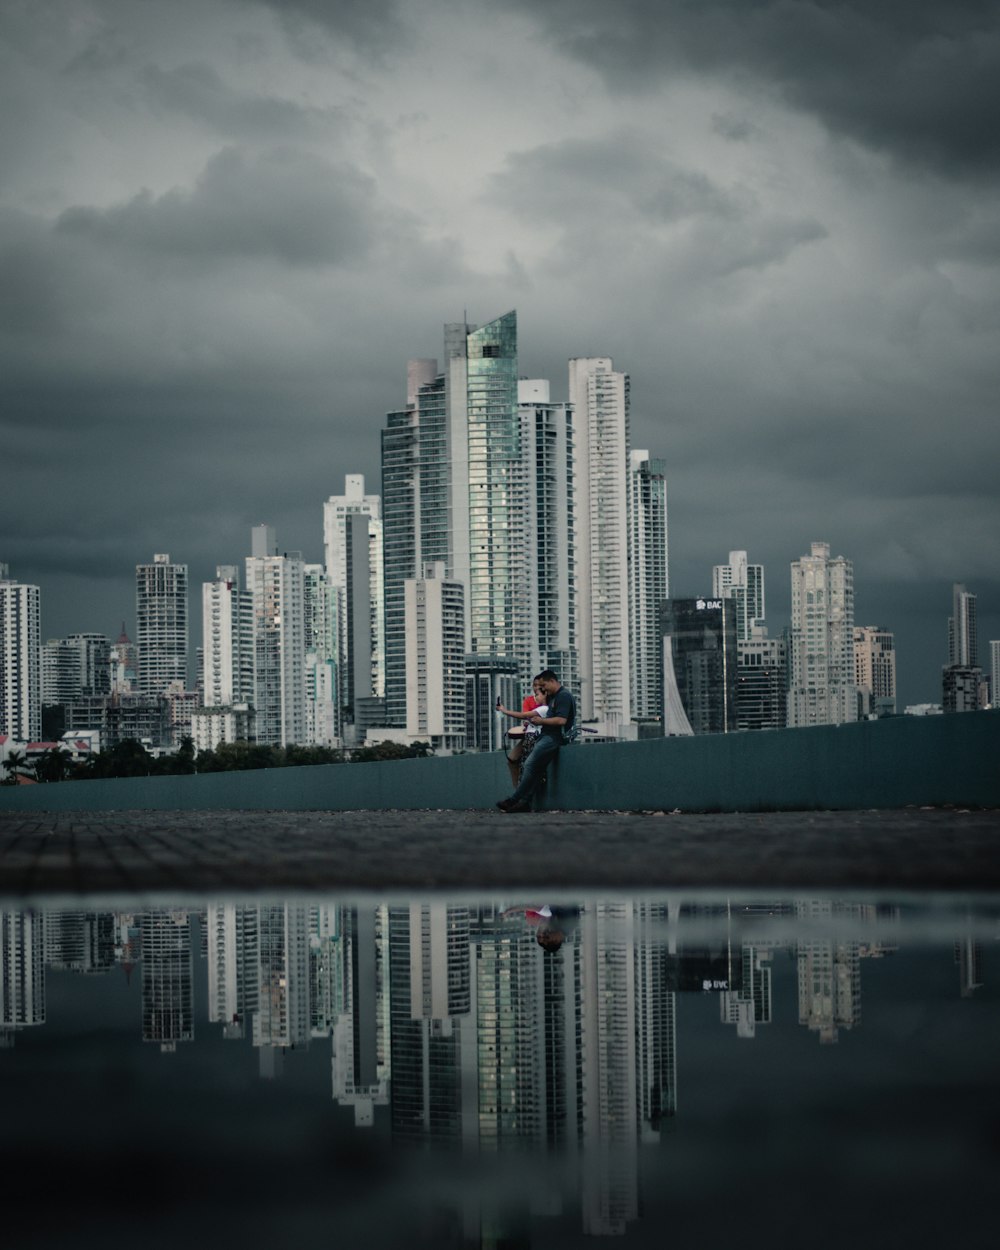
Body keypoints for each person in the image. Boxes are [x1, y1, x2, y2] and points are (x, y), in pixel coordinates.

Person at [497, 669, 575, 813]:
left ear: (552, 681)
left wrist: (541, 721)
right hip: (546, 735)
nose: (542, 689)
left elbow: (561, 720)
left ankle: (513, 800)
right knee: (537, 771)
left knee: (530, 765)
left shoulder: (563, 696)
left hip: (553, 738)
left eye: (544, 686)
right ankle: (525, 802)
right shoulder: (554, 696)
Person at [498, 677, 548, 789]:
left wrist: (504, 710)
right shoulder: (529, 700)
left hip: (536, 737)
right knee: (513, 760)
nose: (536, 689)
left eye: (539, 687)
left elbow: (524, 715)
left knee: (529, 766)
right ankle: (518, 790)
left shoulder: (545, 706)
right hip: (528, 736)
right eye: (534, 685)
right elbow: (526, 717)